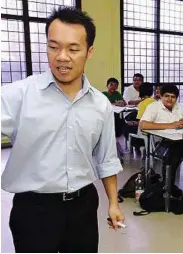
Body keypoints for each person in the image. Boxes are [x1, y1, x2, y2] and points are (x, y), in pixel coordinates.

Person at [1, 7, 124, 252]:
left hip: (83, 207)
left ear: (89, 52)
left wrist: (113, 203)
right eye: (53, 46)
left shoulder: (101, 105)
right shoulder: (20, 94)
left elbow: (107, 159)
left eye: (73, 49)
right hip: (34, 211)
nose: (61, 57)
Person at [140, 84, 183, 186]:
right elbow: (142, 125)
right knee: (173, 154)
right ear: (161, 96)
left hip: (180, 141)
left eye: (173, 97)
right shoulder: (153, 107)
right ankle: (168, 187)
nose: (170, 99)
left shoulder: (179, 106)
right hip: (161, 143)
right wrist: (171, 125)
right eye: (167, 96)